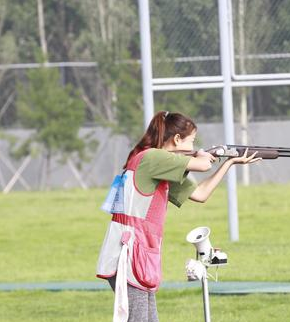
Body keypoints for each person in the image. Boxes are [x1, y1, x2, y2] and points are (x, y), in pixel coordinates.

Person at [96, 111, 260, 322]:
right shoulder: (153, 157)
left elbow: (200, 194)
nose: (193, 148)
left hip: (140, 255)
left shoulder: (162, 165)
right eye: (191, 141)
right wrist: (207, 156)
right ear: (176, 139)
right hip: (128, 255)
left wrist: (229, 163)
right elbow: (202, 165)